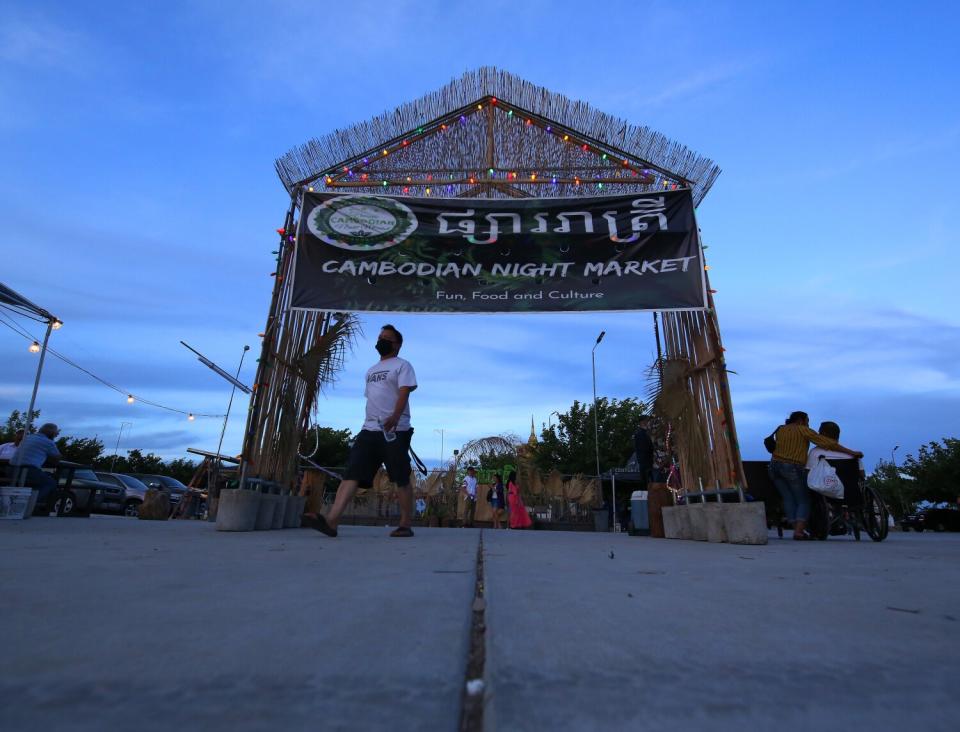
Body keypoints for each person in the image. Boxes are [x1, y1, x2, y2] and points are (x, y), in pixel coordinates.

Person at [306, 325, 417, 538]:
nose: (381, 340)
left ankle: (405, 523)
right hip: (369, 430)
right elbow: (372, 398)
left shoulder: (403, 366)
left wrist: (394, 417)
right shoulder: (370, 370)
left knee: (400, 476)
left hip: (395, 430)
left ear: (397, 344)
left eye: (386, 338)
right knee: (352, 472)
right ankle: (332, 521)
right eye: (380, 337)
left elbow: (404, 393)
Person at [770, 411, 862, 540]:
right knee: (804, 500)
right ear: (801, 420)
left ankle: (797, 527)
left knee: (788, 498)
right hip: (792, 467)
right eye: (807, 421)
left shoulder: (781, 430)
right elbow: (828, 443)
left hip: (774, 466)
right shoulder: (803, 430)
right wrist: (851, 452)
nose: (808, 424)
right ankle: (799, 532)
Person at [806, 421, 865, 507]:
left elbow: (808, 474)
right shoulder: (852, 455)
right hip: (850, 494)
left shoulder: (815, 453)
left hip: (825, 493)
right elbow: (862, 475)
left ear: (823, 434)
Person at [11, 423, 61, 513]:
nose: (56, 434)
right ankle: (27, 505)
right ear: (52, 433)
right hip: (27, 470)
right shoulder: (48, 442)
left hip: (11, 469)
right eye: (56, 433)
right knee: (51, 483)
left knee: (42, 477)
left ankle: (28, 503)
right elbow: (57, 458)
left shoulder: (28, 437)